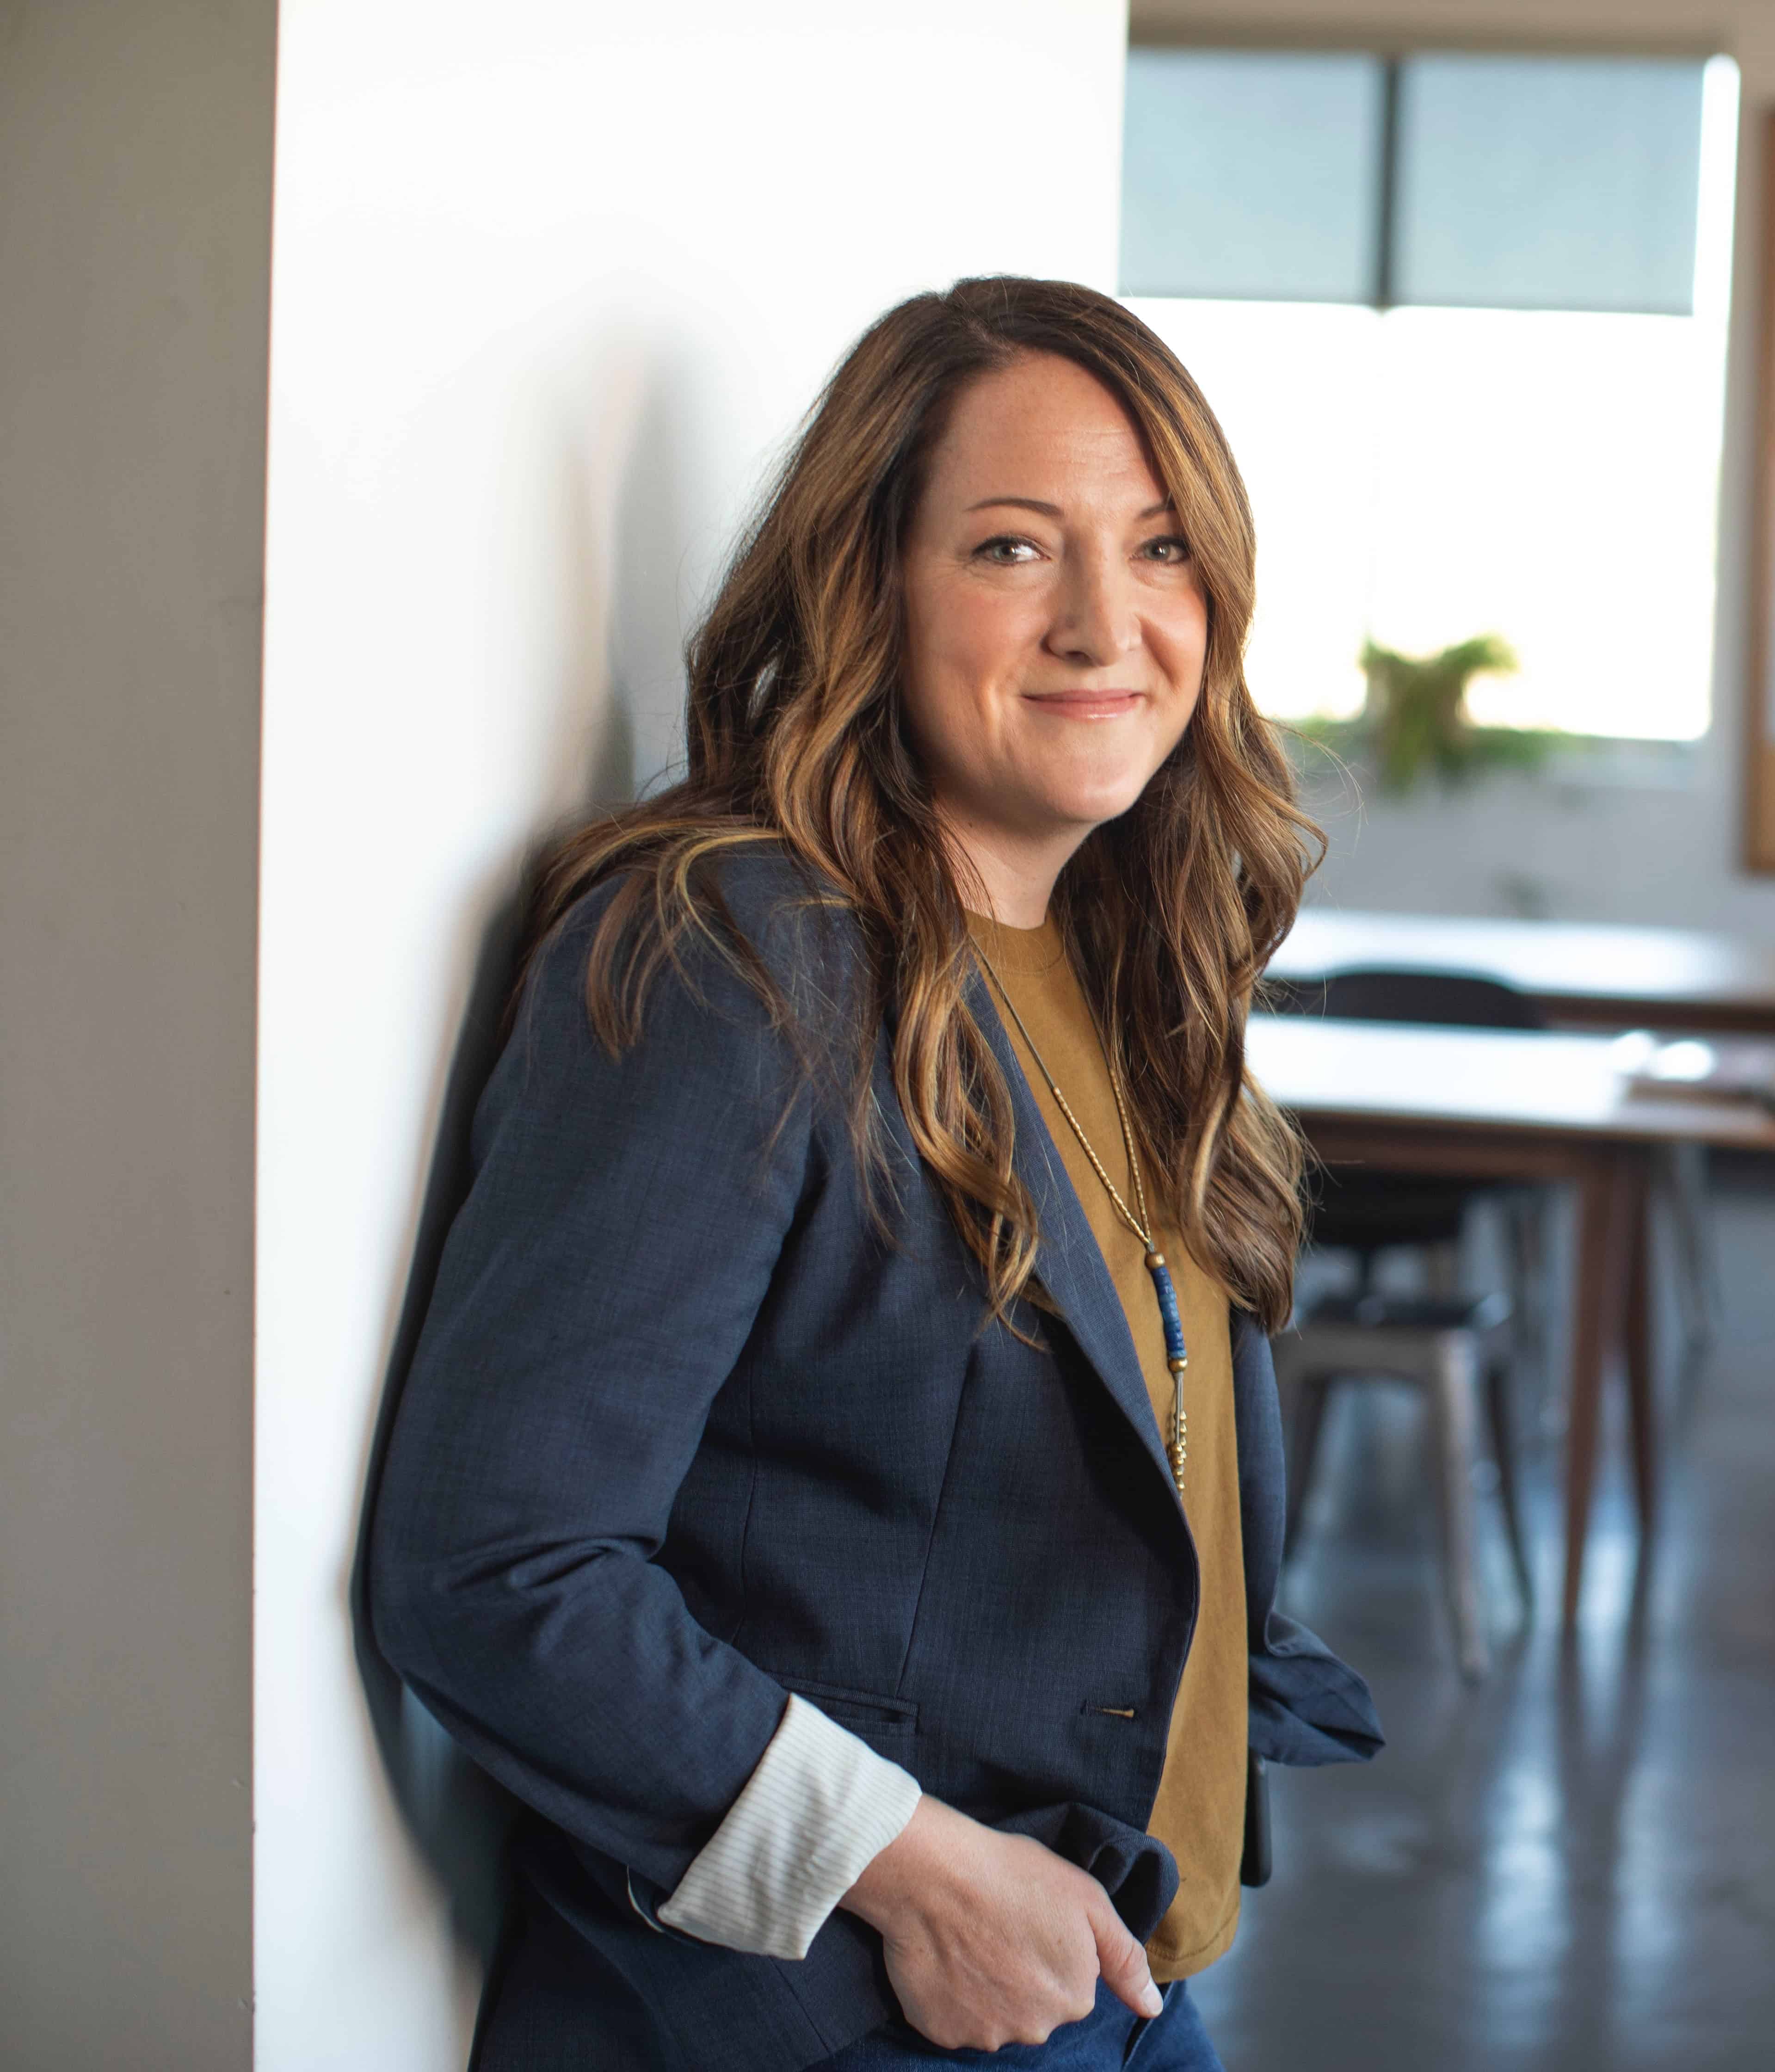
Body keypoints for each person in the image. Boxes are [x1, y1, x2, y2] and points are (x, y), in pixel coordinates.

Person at [370, 277, 1379, 2070]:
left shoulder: (1129, 961)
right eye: (1011, 548)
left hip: (1113, 1969)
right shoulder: (734, 954)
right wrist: (912, 1869)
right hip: (854, 2005)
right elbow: (498, 1561)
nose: (1105, 621)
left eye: (1160, 549)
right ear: (873, 585)